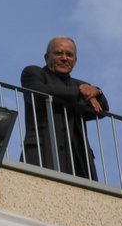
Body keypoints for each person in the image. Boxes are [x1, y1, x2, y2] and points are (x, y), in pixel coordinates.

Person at [21, 36, 110, 179]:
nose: (64, 58)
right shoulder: (33, 73)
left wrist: (97, 91)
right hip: (43, 153)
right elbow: (39, 92)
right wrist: (81, 93)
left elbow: (102, 110)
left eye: (69, 54)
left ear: (75, 60)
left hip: (78, 161)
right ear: (46, 57)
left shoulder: (81, 85)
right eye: (58, 53)